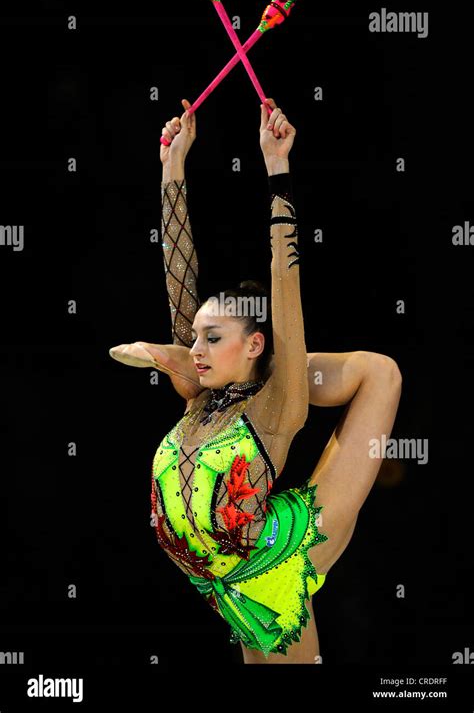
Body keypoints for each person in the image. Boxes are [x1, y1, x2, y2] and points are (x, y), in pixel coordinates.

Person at [109, 98, 402, 664]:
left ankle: (306, 368)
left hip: (279, 559)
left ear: (255, 345)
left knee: (379, 373)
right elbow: (180, 277)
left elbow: (283, 291)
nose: (196, 349)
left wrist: (277, 171)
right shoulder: (200, 394)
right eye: (194, 338)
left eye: (213, 338)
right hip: (230, 583)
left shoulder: (272, 410)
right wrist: (172, 167)